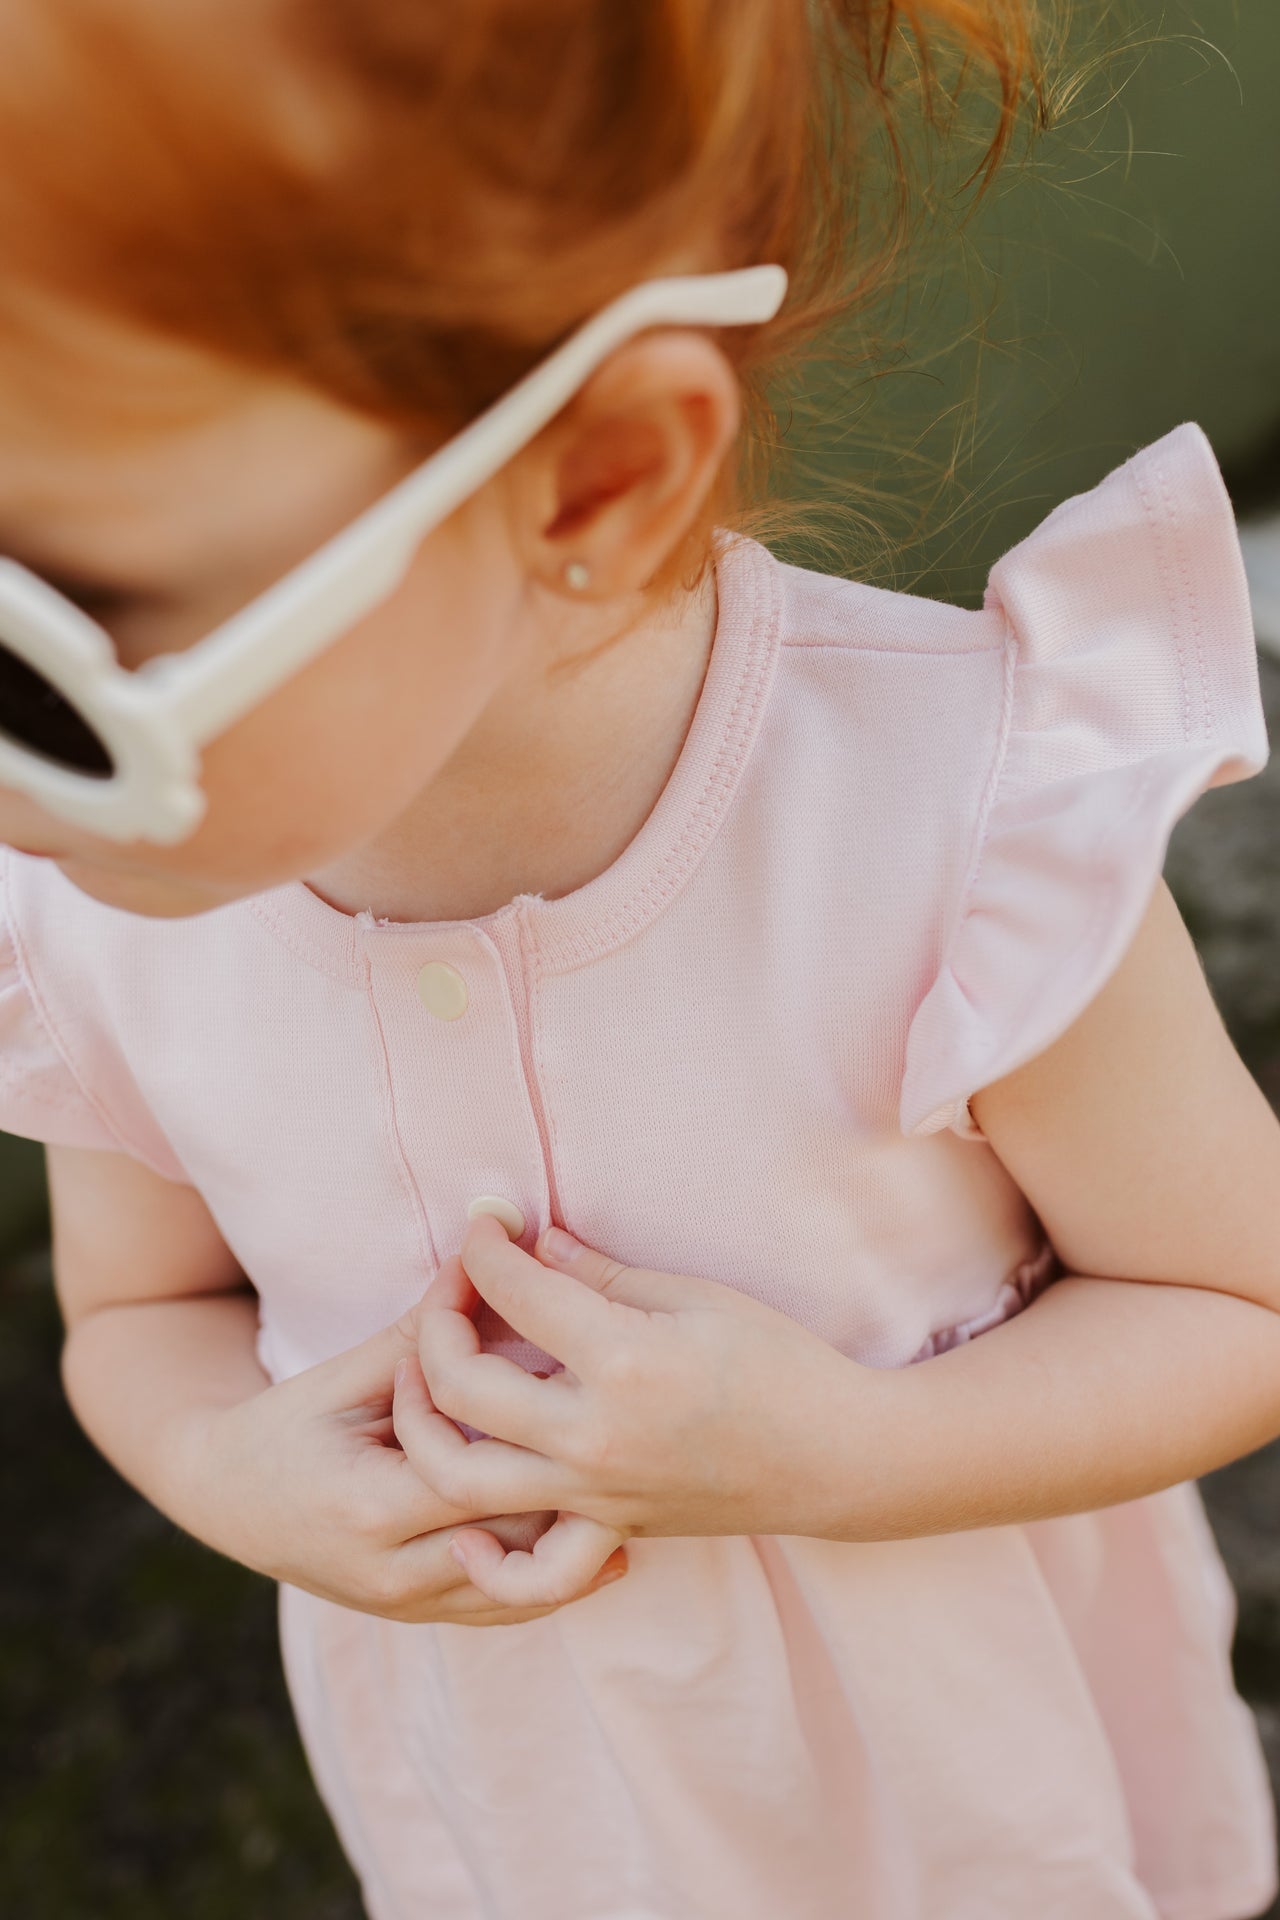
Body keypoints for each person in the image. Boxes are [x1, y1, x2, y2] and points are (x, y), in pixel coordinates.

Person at [0, 1, 1277, 1915]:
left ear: (590, 484)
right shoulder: (88, 880)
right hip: (537, 1808)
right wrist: (232, 1476)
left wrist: (846, 1451)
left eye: (60, 649)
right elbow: (138, 1317)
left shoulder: (945, 819)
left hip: (961, 1805)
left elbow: (1241, 1308)